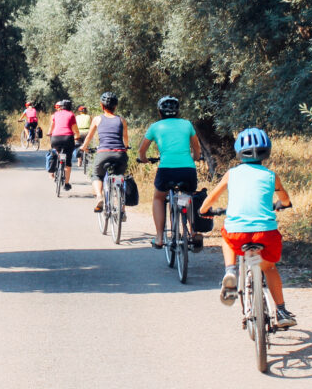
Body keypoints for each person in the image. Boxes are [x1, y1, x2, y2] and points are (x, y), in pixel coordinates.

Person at [198, 128, 296, 328]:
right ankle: (281, 310)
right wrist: (282, 205)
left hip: (237, 232)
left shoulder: (231, 174)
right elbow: (284, 199)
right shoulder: (271, 176)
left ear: (238, 151)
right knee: (269, 268)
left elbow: (213, 197)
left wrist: (204, 209)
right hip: (265, 232)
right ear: (266, 151)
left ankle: (230, 270)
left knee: (226, 237)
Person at [138, 95, 201, 249]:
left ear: (160, 112)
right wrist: (196, 157)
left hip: (166, 169)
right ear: (178, 112)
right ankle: (193, 232)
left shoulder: (155, 127)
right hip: (187, 169)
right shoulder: (187, 124)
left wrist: (144, 159)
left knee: (159, 198)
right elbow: (196, 147)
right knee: (188, 196)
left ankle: (159, 237)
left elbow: (142, 149)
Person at [79, 92, 130, 213]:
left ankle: (99, 197)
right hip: (120, 154)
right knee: (121, 176)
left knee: (96, 175)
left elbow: (89, 137)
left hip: (103, 153)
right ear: (115, 106)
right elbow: (125, 138)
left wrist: (83, 147)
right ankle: (122, 207)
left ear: (102, 106)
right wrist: (126, 147)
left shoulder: (97, 119)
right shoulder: (122, 120)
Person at [47, 99, 80, 190]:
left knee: (57, 152)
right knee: (68, 162)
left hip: (55, 138)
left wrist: (49, 133)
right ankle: (66, 184)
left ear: (61, 106)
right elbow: (75, 130)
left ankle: (55, 162)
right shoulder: (71, 115)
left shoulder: (55, 114)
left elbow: (51, 127)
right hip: (67, 138)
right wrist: (77, 136)